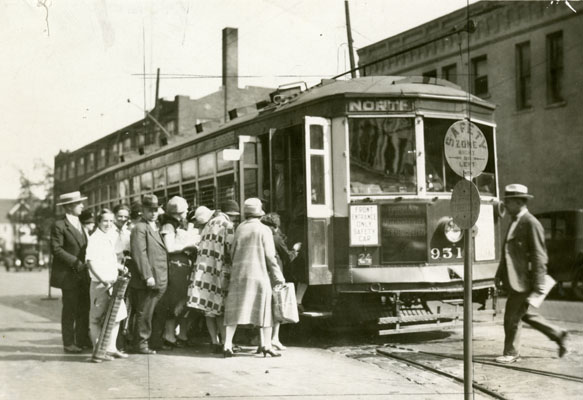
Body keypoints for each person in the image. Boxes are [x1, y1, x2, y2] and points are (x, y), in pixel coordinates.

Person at [494, 184, 569, 364]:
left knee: (511, 316)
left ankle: (511, 353)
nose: (506, 205)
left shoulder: (530, 223)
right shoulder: (515, 221)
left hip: (525, 280)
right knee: (524, 314)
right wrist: (499, 275)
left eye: (509, 202)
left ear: (519, 202)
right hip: (516, 279)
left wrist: (539, 283)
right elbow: (508, 253)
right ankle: (559, 335)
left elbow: (539, 255)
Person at [223, 198, 285, 358]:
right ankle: (266, 345)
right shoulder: (264, 230)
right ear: (259, 213)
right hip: (259, 275)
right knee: (264, 310)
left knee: (235, 310)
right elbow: (271, 256)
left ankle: (227, 345)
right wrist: (278, 276)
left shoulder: (239, 229)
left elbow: (232, 251)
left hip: (239, 274)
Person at [186, 200, 239, 353]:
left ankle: (213, 341)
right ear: (231, 215)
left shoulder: (209, 224)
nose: (235, 219)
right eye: (235, 216)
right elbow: (230, 248)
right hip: (219, 269)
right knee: (221, 307)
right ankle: (225, 342)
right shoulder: (227, 225)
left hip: (203, 269)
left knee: (209, 308)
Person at [50, 191, 91, 353]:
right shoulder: (59, 225)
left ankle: (81, 340)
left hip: (82, 275)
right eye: (78, 203)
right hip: (68, 275)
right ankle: (68, 343)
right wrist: (76, 263)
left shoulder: (80, 224)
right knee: (70, 309)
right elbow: (56, 249)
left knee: (84, 308)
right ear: (68, 207)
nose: (82, 205)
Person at [86, 209, 129, 362]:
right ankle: (98, 351)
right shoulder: (95, 238)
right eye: (105, 221)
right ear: (98, 222)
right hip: (100, 284)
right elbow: (90, 263)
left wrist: (120, 267)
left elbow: (106, 260)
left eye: (111, 221)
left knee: (118, 315)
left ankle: (111, 348)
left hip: (112, 282)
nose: (109, 224)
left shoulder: (107, 237)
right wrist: (102, 280)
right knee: (96, 318)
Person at [129, 194, 168, 354]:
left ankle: (153, 342)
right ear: (142, 211)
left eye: (155, 210)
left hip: (160, 277)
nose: (153, 213)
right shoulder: (140, 228)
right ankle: (141, 343)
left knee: (152, 311)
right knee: (144, 312)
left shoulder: (154, 227)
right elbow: (140, 253)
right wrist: (147, 276)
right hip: (149, 279)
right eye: (149, 210)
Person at [158, 196, 196, 348]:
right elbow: (170, 247)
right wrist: (188, 245)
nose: (187, 212)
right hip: (175, 265)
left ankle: (171, 334)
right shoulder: (169, 225)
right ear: (178, 211)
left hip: (179, 265)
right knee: (174, 301)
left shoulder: (173, 224)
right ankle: (169, 335)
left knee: (178, 300)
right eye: (185, 209)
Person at [261, 212, 301, 350]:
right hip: (274, 275)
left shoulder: (259, 235)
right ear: (275, 226)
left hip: (262, 273)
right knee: (276, 305)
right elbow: (288, 257)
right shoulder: (276, 238)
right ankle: (274, 338)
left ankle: (261, 339)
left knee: (264, 306)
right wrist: (295, 250)